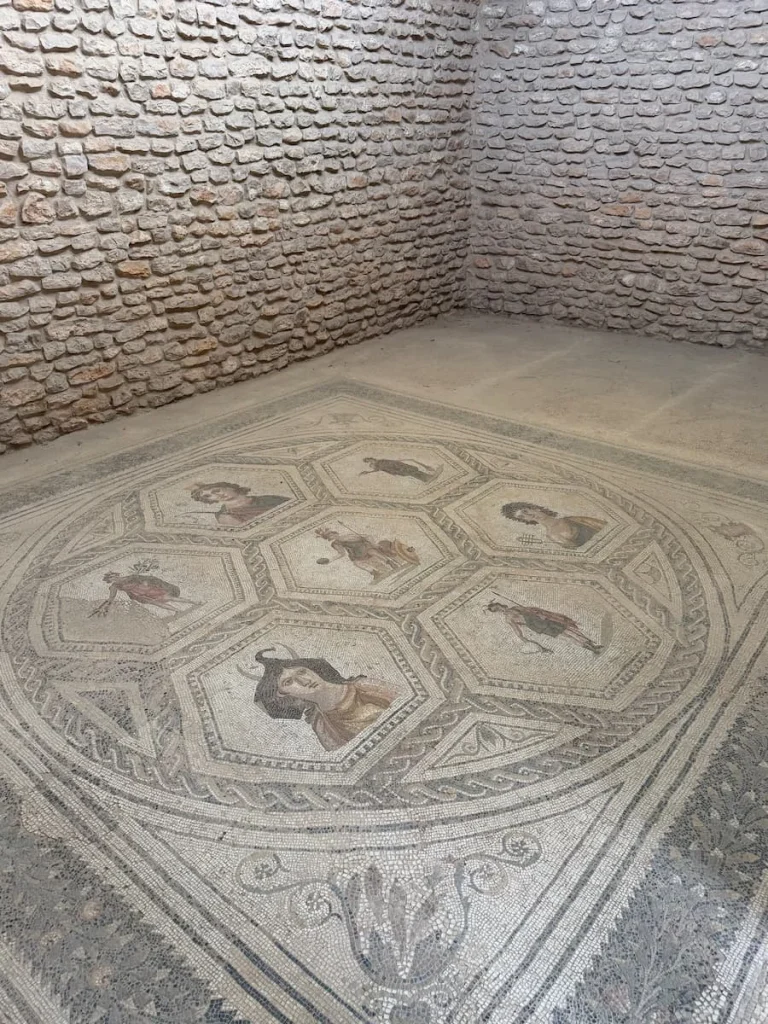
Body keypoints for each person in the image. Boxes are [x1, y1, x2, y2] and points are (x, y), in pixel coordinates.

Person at [243, 649, 395, 751]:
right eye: (288, 682)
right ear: (283, 694)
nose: (303, 681)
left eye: (302, 671)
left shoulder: (362, 687)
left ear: (312, 669)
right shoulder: (320, 724)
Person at [486, 599, 603, 655]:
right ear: (498, 610)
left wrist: (540, 614)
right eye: (498, 608)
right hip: (539, 625)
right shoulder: (509, 617)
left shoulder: (514, 609)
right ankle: (592, 649)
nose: (501, 607)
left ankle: (592, 645)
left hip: (541, 621)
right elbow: (517, 630)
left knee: (570, 631)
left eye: (499, 606)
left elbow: (531, 611)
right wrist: (523, 639)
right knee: (567, 635)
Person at [315, 526, 420, 582]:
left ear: (335, 533)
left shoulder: (349, 536)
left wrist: (373, 544)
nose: (332, 538)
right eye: (329, 538)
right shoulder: (336, 544)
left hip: (364, 547)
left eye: (332, 535)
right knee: (357, 563)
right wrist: (330, 560)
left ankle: (390, 562)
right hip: (356, 554)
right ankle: (374, 573)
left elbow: (367, 536)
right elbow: (341, 554)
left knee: (372, 551)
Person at [90, 567, 199, 618]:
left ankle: (193, 602)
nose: (114, 578)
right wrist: (105, 607)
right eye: (111, 578)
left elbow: (142, 578)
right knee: (158, 603)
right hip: (139, 595)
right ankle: (177, 611)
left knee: (167, 597)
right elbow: (111, 598)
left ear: (116, 575)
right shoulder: (114, 586)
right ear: (110, 580)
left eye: (114, 576)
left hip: (146, 589)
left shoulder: (129, 577)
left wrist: (146, 582)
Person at [501, 502, 606, 549]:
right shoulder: (551, 535)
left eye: (526, 511)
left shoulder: (571, 519)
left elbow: (603, 527)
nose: (530, 515)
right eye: (522, 517)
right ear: (526, 521)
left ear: (534, 508)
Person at [188, 481, 289, 526]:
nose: (217, 495)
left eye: (216, 490)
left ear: (229, 487)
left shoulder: (269, 499)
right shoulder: (224, 516)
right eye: (208, 496)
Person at [360, 457, 442, 484]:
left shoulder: (380, 461)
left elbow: (391, 462)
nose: (371, 461)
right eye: (368, 461)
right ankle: (426, 478)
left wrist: (399, 462)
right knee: (412, 473)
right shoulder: (377, 465)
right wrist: (368, 472)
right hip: (396, 469)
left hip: (398, 466)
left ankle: (428, 477)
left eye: (369, 460)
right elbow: (378, 469)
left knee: (413, 471)